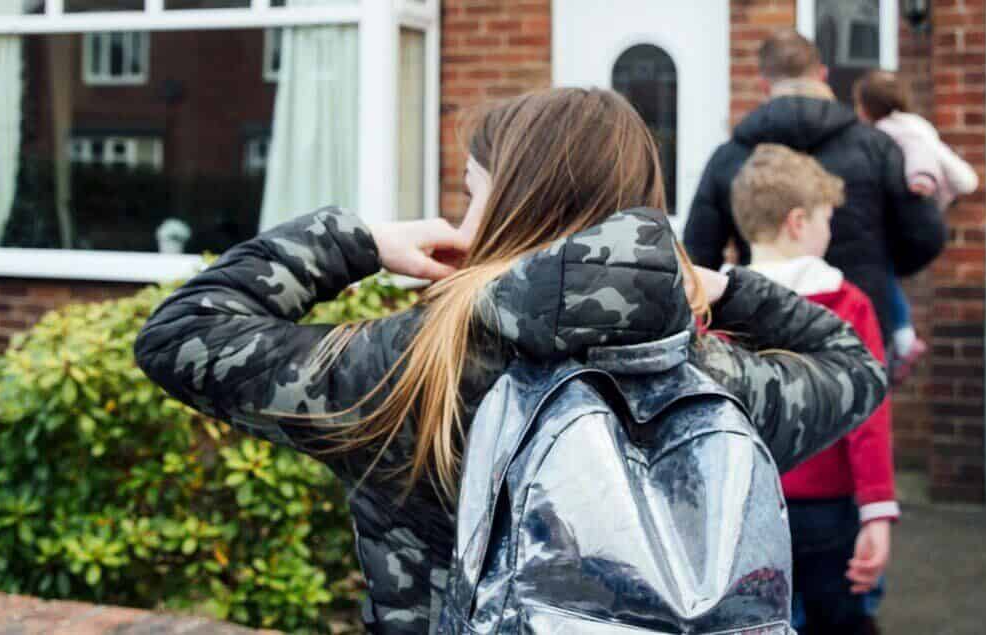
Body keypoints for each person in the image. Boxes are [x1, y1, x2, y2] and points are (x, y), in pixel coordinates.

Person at [135, 87, 888, 634]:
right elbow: (853, 366)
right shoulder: (713, 384)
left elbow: (182, 332)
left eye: (472, 194)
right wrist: (721, 289)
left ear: (507, 209)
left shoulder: (413, 374)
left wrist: (359, 240)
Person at [683, 29, 947, 379]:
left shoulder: (730, 156)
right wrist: (876, 266)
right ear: (822, 75)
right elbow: (925, 236)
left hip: (764, 329)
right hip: (859, 323)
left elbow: (699, 255)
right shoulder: (875, 146)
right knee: (862, 424)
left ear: (764, 85)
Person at [731, 143, 897, 634]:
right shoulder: (847, 304)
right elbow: (866, 417)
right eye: (828, 220)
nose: (832, 231)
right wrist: (877, 510)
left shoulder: (718, 308)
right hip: (827, 507)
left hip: (745, 507)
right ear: (798, 222)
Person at [853, 69, 980, 379]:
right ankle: (902, 337)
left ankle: (904, 336)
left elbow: (920, 156)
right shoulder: (916, 125)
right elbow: (963, 177)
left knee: (884, 273)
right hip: (922, 215)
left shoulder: (892, 130)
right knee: (888, 275)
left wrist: (921, 179)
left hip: (913, 208)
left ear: (867, 106)